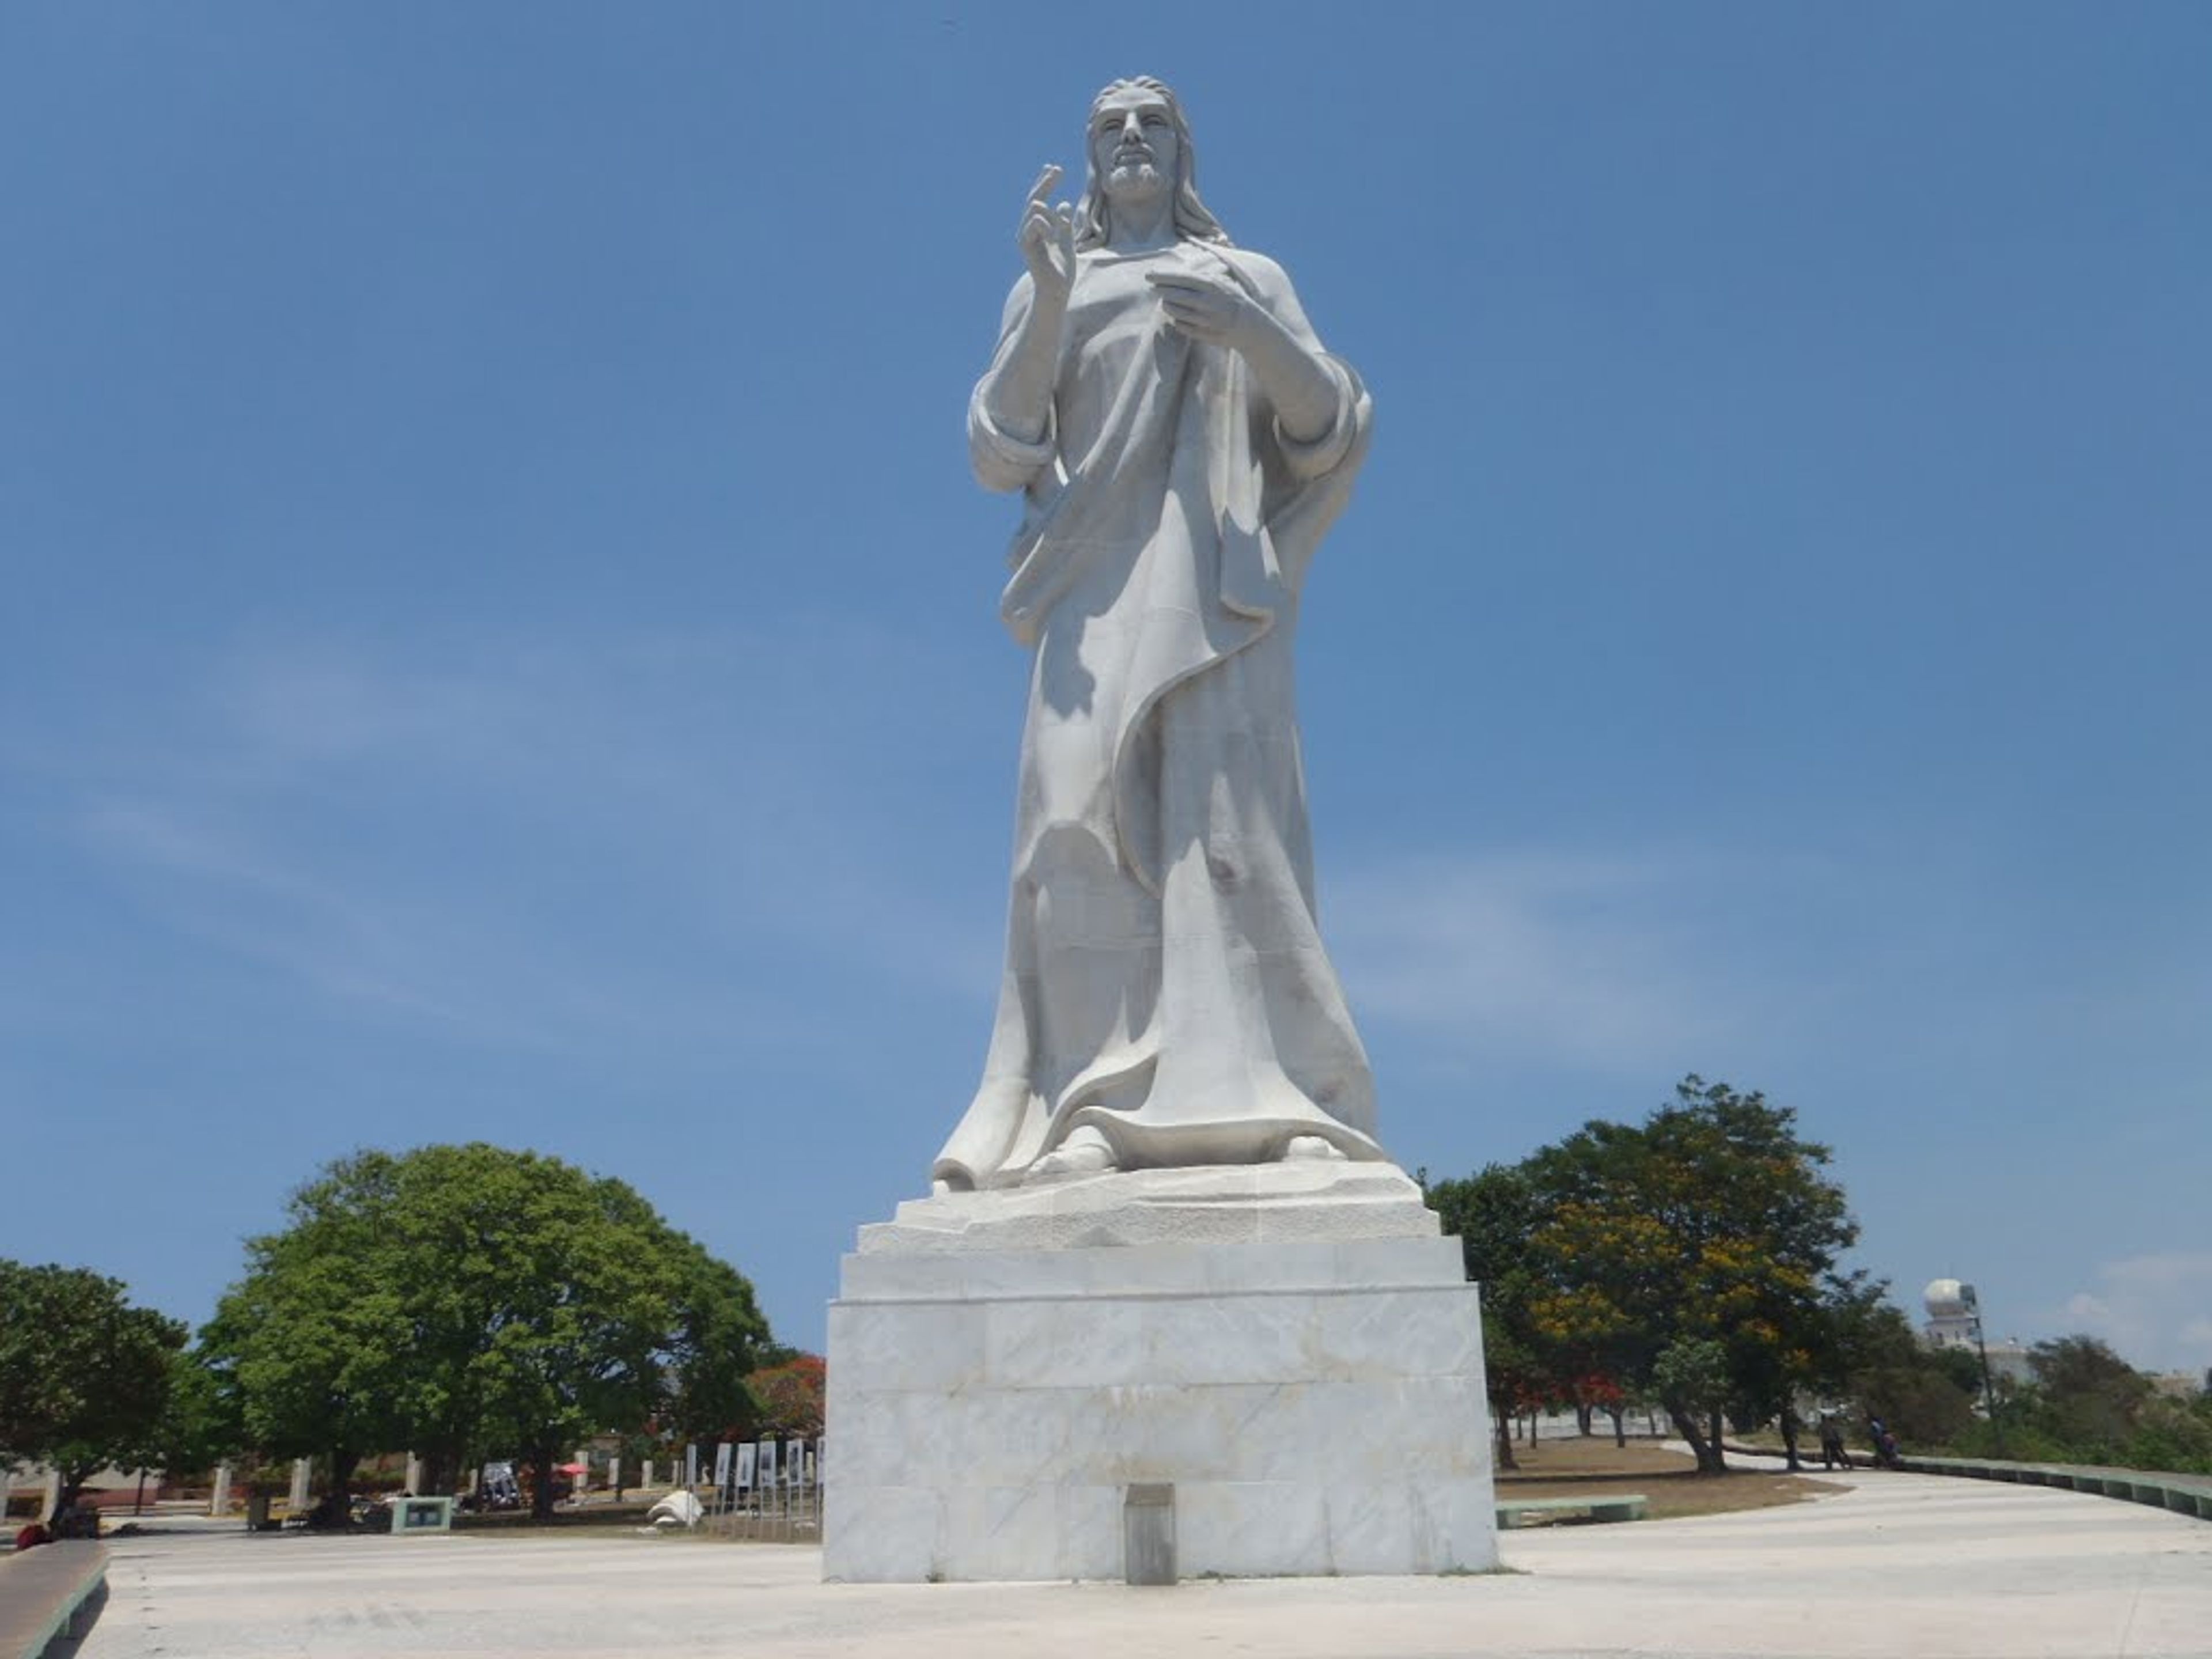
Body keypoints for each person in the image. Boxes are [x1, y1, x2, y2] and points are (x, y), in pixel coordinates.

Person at [932, 78, 1384, 1192]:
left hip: (1214, 600)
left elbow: (1326, 427)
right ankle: (1084, 1100)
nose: (1132, 136)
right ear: (1090, 157)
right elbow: (1004, 448)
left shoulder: (1246, 277)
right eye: (1110, 125)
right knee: (1072, 838)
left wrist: (1251, 331)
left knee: (1223, 839)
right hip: (1091, 604)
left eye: (1154, 122)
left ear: (1185, 151)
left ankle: (1257, 1105)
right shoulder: (1054, 281)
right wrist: (1044, 299)